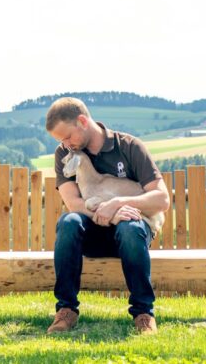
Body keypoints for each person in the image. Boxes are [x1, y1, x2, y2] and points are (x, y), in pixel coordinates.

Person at [45, 97, 170, 335]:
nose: (66, 145)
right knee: (68, 222)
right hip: (93, 233)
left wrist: (119, 203)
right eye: (61, 140)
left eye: (68, 136)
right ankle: (66, 310)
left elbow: (162, 199)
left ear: (82, 121)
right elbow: (74, 203)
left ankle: (143, 314)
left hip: (132, 237)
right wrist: (110, 215)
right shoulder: (65, 153)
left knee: (130, 227)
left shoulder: (129, 146)